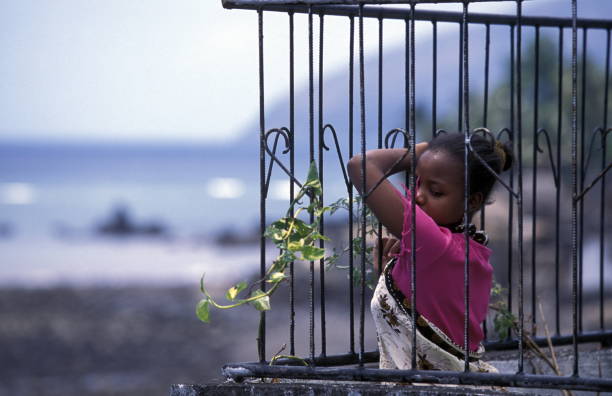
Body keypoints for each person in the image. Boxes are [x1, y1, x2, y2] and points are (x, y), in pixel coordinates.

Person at [347, 131, 513, 372]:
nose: (418, 196)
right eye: (417, 182)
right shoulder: (467, 250)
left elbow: (361, 165)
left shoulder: (433, 243)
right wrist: (387, 273)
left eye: (435, 192)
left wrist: (426, 149)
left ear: (472, 201)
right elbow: (427, 313)